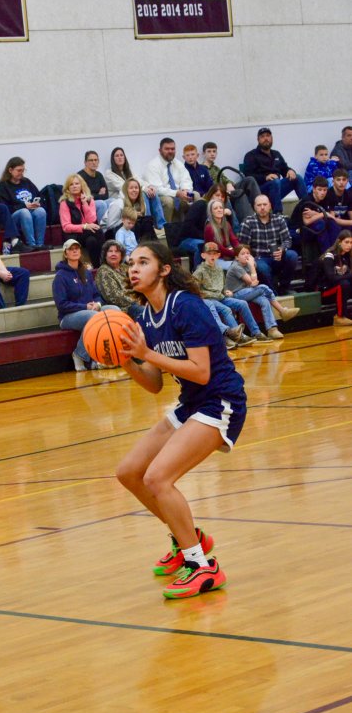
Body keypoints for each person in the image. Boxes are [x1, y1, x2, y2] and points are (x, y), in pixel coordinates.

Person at [115, 241, 247, 599]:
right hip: (190, 403)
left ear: (164, 269)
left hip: (221, 400)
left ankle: (202, 567)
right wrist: (129, 361)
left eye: (143, 262)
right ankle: (190, 538)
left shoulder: (187, 307)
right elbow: (155, 385)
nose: (134, 268)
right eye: (131, 263)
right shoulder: (145, 316)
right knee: (129, 472)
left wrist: (147, 352)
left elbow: (201, 372)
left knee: (158, 477)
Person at [52, 239, 120, 371]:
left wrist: (98, 304)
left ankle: (104, 356)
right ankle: (79, 354)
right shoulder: (60, 276)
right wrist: (85, 307)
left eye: (77, 248)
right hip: (68, 316)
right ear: (65, 254)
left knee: (114, 310)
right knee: (94, 317)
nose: (75, 251)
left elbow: (96, 294)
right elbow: (62, 304)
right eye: (71, 249)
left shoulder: (86, 272)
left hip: (90, 311)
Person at [193, 242, 268, 344]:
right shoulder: (199, 271)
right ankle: (238, 336)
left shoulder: (219, 269)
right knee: (226, 309)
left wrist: (226, 291)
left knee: (242, 303)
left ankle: (256, 332)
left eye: (215, 253)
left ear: (218, 255)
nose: (212, 256)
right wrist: (216, 294)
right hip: (208, 299)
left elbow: (223, 286)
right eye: (209, 253)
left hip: (221, 297)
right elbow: (195, 291)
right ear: (203, 255)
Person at [225, 245, 299, 340]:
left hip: (248, 292)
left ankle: (272, 329)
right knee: (263, 287)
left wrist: (252, 268)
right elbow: (252, 282)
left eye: (248, 253)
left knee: (264, 300)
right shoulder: (236, 267)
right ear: (236, 257)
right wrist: (252, 266)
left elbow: (254, 283)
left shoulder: (248, 263)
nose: (246, 255)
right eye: (242, 254)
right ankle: (282, 311)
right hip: (236, 294)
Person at [238, 194, 299, 295]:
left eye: (265, 204)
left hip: (277, 255)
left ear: (270, 206)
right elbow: (244, 246)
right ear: (254, 207)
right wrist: (251, 259)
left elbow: (288, 240)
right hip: (259, 258)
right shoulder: (248, 222)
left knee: (292, 255)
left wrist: (282, 249)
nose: (262, 207)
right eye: (259, 205)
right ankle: (273, 293)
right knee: (262, 267)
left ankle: (284, 287)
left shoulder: (279, 220)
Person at [243, 128, 307, 213]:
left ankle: (307, 207)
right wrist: (265, 177)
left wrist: (290, 171)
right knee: (275, 182)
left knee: (297, 177)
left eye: (268, 136)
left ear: (272, 138)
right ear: (258, 140)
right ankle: (278, 214)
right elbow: (248, 175)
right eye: (262, 136)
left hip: (276, 188)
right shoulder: (251, 155)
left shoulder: (276, 154)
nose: (266, 138)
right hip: (260, 190)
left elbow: (284, 169)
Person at [0, 157, 49, 250]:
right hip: (14, 217)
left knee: (41, 211)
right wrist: (23, 206)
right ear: (10, 170)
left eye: (23, 170)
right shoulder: (3, 186)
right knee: (24, 212)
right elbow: (4, 209)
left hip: (31, 211)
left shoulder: (26, 181)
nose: (21, 173)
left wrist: (37, 203)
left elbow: (39, 195)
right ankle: (31, 244)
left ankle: (40, 244)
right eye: (19, 170)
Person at [105, 147, 165, 229]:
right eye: (117, 156)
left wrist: (149, 186)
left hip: (132, 196)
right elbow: (124, 186)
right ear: (113, 159)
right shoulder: (109, 173)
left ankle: (161, 225)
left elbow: (139, 181)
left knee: (153, 192)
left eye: (121, 155)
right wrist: (144, 189)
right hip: (120, 199)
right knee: (143, 194)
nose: (120, 157)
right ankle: (147, 223)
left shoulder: (128, 171)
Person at [201, 141, 260, 221]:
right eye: (209, 151)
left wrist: (229, 183)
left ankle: (260, 206)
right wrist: (224, 191)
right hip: (219, 193)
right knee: (239, 192)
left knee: (250, 179)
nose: (212, 154)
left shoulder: (216, 168)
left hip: (228, 189)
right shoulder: (201, 169)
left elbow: (225, 179)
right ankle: (248, 221)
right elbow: (210, 187)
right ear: (204, 153)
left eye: (214, 151)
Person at [143, 138, 194, 223]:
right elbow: (157, 189)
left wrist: (186, 190)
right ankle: (165, 230)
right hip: (160, 197)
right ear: (160, 150)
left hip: (178, 194)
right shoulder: (153, 165)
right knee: (168, 201)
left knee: (195, 195)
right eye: (167, 149)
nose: (170, 151)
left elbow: (187, 180)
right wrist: (177, 193)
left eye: (172, 149)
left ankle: (190, 229)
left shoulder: (178, 163)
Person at [59, 174, 104, 268]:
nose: (74, 186)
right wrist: (84, 226)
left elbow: (92, 220)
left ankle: (97, 266)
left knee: (91, 241)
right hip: (74, 235)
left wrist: (84, 203)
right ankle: (104, 262)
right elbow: (66, 227)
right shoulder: (64, 203)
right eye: (71, 184)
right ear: (68, 188)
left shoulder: (89, 200)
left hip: (88, 234)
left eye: (77, 183)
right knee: (98, 231)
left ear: (82, 186)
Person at [95, 240, 144, 320]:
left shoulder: (125, 267)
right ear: (105, 255)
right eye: (110, 251)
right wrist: (138, 300)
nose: (113, 254)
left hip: (137, 301)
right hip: (124, 307)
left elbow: (139, 283)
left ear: (121, 255)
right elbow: (114, 297)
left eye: (117, 251)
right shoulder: (104, 271)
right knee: (145, 312)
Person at [316, 231, 352, 326]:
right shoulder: (329, 256)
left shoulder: (348, 256)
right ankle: (339, 317)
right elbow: (331, 278)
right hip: (325, 291)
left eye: (351, 243)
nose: (349, 245)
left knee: (345, 284)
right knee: (344, 284)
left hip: (339, 291)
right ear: (339, 242)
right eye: (346, 242)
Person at [203, 198, 239, 270]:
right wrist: (235, 253)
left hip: (227, 256)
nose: (219, 210)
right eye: (215, 208)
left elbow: (234, 240)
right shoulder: (209, 228)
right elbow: (218, 249)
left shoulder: (227, 224)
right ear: (211, 212)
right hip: (215, 258)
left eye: (221, 208)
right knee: (237, 268)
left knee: (247, 263)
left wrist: (240, 251)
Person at [78, 151, 113, 224]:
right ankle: (102, 230)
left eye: (96, 160)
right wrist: (99, 194)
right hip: (85, 205)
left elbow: (106, 195)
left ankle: (113, 229)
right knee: (101, 204)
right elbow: (85, 198)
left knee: (113, 201)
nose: (94, 162)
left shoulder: (99, 175)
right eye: (91, 160)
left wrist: (94, 195)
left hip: (97, 201)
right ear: (85, 162)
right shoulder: (80, 176)